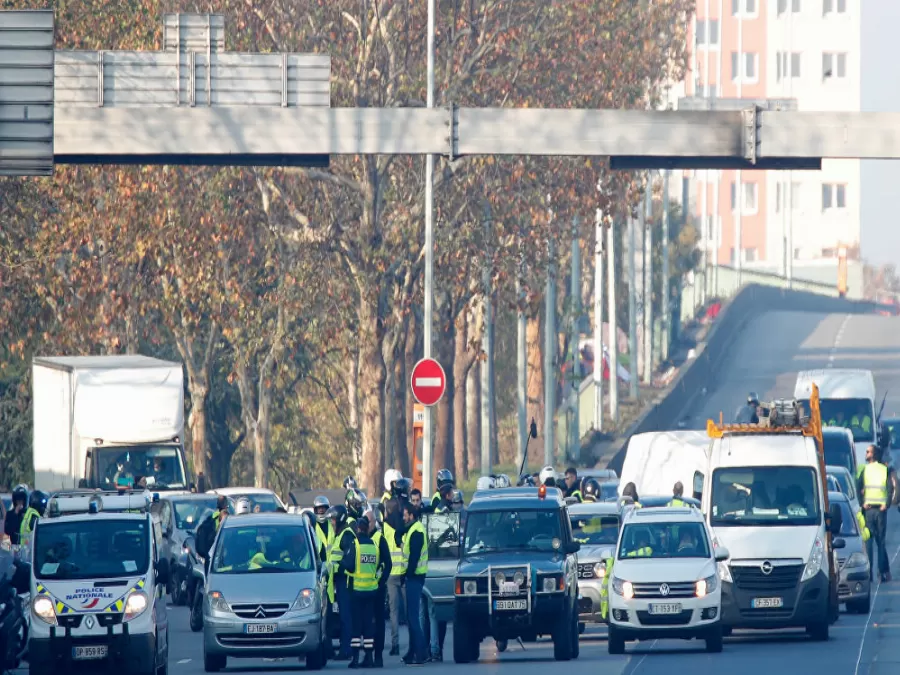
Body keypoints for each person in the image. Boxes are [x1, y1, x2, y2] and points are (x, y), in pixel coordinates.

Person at [341, 514, 380, 668]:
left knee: (357, 626)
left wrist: (343, 562)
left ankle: (356, 659)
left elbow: (350, 565)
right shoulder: (374, 546)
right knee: (368, 625)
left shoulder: (355, 544)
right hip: (371, 591)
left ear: (358, 529)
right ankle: (369, 657)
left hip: (357, 591)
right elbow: (376, 566)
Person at [858, 444, 893, 582]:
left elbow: (858, 485)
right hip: (880, 510)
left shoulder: (866, 469)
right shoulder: (884, 469)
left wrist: (862, 502)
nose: (865, 454)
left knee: (869, 543)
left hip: (870, 510)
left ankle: (870, 574)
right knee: (880, 542)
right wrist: (887, 504)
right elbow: (890, 489)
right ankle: (882, 573)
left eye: (868, 452)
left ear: (873, 454)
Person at [327, 504, 358, 660]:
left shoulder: (347, 535)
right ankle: (344, 648)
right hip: (339, 583)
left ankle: (346, 650)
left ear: (339, 519)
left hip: (345, 583)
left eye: (332, 520)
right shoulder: (340, 535)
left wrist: (337, 568)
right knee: (343, 617)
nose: (331, 523)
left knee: (346, 617)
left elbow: (350, 562)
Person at [382, 482, 407, 657]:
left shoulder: (385, 520)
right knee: (412, 610)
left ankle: (395, 644)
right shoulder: (407, 516)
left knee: (393, 612)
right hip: (405, 571)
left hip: (390, 572)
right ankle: (415, 645)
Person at [401, 502, 428, 666]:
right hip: (413, 578)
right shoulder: (413, 528)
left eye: (405, 514)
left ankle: (421, 653)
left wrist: (407, 575)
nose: (403, 517)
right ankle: (412, 653)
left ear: (411, 515)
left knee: (413, 617)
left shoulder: (417, 531)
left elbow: (413, 558)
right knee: (411, 618)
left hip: (415, 578)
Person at [368, 506, 392, 667]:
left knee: (379, 622)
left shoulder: (379, 538)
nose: (366, 524)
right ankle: (367, 656)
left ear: (374, 522)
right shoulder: (360, 538)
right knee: (366, 623)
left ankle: (378, 655)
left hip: (377, 588)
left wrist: (381, 581)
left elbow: (388, 564)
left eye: (368, 521)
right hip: (363, 589)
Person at [313, 495, 333, 561]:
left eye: (323, 508)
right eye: (319, 508)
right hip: (317, 562)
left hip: (331, 562)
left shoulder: (333, 524)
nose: (321, 510)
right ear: (315, 510)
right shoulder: (312, 525)